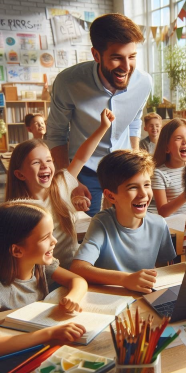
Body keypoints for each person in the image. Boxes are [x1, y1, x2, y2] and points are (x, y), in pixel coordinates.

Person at [45, 13, 152, 217]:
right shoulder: (68, 82)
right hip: (84, 171)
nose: (126, 67)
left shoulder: (144, 82)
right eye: (116, 57)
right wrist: (71, 180)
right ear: (96, 55)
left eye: (132, 57)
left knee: (126, 227)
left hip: (124, 168)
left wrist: (136, 163)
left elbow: (134, 122)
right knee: (84, 230)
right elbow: (56, 134)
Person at [6, 109, 115, 269]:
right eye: (36, 162)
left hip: (76, 268)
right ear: (20, 175)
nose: (45, 166)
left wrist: (103, 127)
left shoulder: (61, 184)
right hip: (44, 277)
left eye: (49, 160)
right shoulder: (20, 209)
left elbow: (81, 157)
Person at [70, 150, 176, 293]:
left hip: (144, 298)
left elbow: (165, 269)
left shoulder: (159, 224)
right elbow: (78, 268)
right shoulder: (102, 223)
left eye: (147, 185)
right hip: (111, 298)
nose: (143, 194)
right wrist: (125, 280)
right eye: (133, 187)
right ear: (110, 196)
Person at [0, 202, 87, 314]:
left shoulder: (40, 266)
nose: (54, 241)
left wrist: (73, 297)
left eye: (52, 233)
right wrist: (48, 333)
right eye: (45, 237)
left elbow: (77, 280)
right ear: (17, 250)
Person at [148, 118, 186, 217]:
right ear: (166, 148)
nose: (185, 141)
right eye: (178, 138)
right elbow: (163, 212)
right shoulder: (159, 174)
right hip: (175, 227)